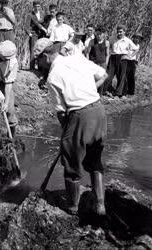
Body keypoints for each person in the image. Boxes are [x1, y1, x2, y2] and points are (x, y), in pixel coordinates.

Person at [34, 39, 108, 216]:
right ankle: (100, 206)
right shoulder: (77, 58)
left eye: (39, 60)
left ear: (46, 56)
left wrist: (66, 133)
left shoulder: (52, 77)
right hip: (98, 110)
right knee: (95, 161)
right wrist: (89, 90)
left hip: (79, 116)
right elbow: (103, 75)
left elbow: (61, 112)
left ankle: (73, 206)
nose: (38, 64)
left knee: (71, 163)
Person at [103, 24, 139, 97]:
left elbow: (136, 49)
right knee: (108, 75)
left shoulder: (127, 40)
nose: (119, 33)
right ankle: (104, 90)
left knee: (121, 77)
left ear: (124, 32)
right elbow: (107, 45)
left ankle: (118, 93)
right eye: (118, 31)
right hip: (113, 58)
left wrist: (129, 56)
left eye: (120, 32)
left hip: (122, 59)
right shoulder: (112, 38)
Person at [86, 26, 110, 94]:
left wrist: (106, 63)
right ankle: (92, 93)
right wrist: (88, 62)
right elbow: (87, 53)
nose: (99, 36)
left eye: (100, 34)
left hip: (102, 63)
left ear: (104, 34)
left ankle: (100, 94)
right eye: (97, 34)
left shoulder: (106, 43)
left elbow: (107, 54)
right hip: (93, 63)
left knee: (102, 78)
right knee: (93, 78)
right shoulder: (92, 41)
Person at [25, 1, 47, 69]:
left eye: (38, 6)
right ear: (33, 7)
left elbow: (45, 22)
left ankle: (40, 66)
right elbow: (26, 26)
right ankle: (32, 67)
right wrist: (29, 34)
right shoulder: (30, 15)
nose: (37, 8)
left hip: (42, 34)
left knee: (41, 49)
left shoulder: (43, 14)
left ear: (40, 6)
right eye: (35, 6)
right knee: (33, 49)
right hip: (34, 34)